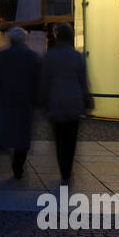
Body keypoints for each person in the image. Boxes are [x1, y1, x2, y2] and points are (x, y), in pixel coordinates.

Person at [39, 22, 93, 182]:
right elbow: (83, 81)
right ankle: (67, 170)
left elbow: (44, 82)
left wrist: (42, 99)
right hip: (74, 101)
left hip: (55, 100)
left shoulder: (50, 56)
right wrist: (86, 98)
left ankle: (62, 167)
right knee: (70, 138)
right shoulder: (77, 56)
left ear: (57, 37)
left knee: (59, 138)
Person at [0, 26, 40, 178]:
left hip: (6, 99)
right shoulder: (32, 56)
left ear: (11, 40)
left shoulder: (1, 56)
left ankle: (5, 146)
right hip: (25, 100)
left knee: (7, 127)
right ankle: (18, 162)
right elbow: (37, 81)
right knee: (23, 132)